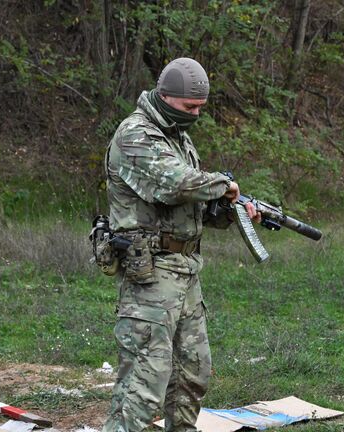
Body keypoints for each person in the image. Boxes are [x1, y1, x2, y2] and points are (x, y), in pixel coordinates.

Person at [101, 57, 260, 432]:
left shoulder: (177, 136)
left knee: (192, 372)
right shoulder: (135, 134)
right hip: (150, 274)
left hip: (186, 271)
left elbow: (194, 205)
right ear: (166, 96)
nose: (197, 115)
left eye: (201, 108)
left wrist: (231, 209)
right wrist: (224, 184)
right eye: (190, 107)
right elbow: (174, 184)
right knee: (144, 381)